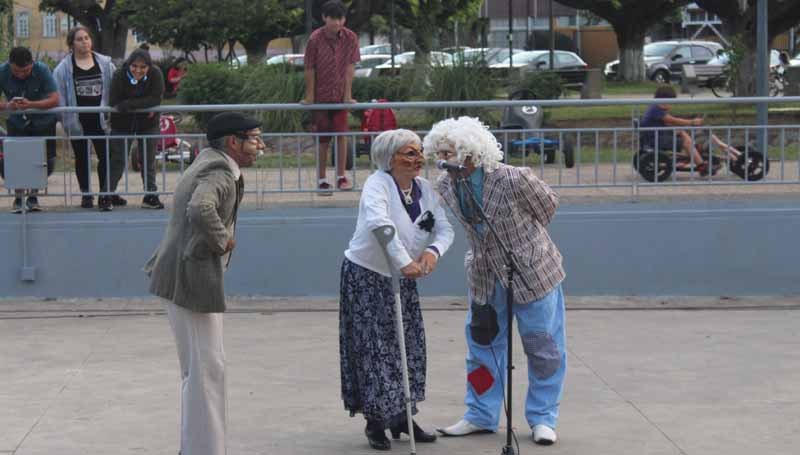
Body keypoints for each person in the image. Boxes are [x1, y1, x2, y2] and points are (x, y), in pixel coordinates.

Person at [423, 116, 567, 446]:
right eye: (439, 152)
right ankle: (481, 414)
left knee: (543, 347)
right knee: (482, 346)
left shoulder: (513, 178)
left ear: (471, 151)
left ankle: (543, 417)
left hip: (532, 271)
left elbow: (548, 207)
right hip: (485, 275)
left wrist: (524, 242)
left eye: (449, 152)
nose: (442, 159)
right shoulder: (445, 184)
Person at [143, 112, 265, 455]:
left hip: (181, 276)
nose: (259, 145)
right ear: (233, 142)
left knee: (200, 371)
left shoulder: (208, 160)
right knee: (207, 371)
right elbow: (200, 208)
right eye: (254, 138)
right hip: (190, 281)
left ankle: (197, 447)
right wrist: (222, 239)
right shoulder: (219, 171)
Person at [340, 128, 454, 451]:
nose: (418, 159)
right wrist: (404, 262)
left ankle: (402, 416)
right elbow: (380, 224)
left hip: (404, 279)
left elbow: (444, 228)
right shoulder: (377, 184)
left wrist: (432, 253)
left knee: (408, 346)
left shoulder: (424, 189)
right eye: (409, 153)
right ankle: (376, 421)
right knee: (374, 350)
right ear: (389, 158)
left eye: (419, 152)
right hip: (367, 276)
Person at [52, 26, 118, 210]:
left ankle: (105, 194)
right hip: (77, 121)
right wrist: (65, 119)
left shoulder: (105, 64)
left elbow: (116, 86)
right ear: (71, 44)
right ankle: (86, 194)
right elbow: (60, 95)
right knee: (81, 158)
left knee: (105, 157)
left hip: (101, 121)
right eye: (80, 39)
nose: (84, 42)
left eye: (87, 38)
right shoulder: (63, 68)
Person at [302, 0, 360, 194]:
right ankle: (321, 179)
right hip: (321, 97)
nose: (336, 22)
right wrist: (310, 97)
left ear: (344, 19)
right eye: (332, 18)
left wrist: (347, 95)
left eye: (340, 18)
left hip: (339, 96)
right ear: (324, 18)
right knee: (323, 139)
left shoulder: (350, 37)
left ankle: (341, 176)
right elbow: (309, 68)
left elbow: (350, 67)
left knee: (342, 136)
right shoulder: (315, 39)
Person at [0, 47, 59, 213]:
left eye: (25, 71)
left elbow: (55, 99)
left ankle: (33, 196)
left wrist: (31, 105)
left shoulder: (42, 69)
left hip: (43, 122)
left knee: (44, 160)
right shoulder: (2, 71)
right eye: (16, 71)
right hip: (17, 123)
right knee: (16, 160)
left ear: (32, 63)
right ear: (10, 64)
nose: (21, 75)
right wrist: (7, 105)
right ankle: (18, 198)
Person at [107, 47, 165, 211]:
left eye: (143, 67)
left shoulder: (156, 74)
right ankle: (106, 194)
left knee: (149, 159)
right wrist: (144, 104)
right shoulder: (119, 75)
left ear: (149, 67)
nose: (138, 70)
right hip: (122, 124)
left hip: (148, 123)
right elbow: (115, 101)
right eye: (134, 66)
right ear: (128, 64)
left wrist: (130, 103)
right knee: (118, 159)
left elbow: (156, 98)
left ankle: (150, 195)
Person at [640, 85, 706, 173]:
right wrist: (692, 122)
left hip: (654, 136)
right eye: (670, 101)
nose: (671, 104)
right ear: (664, 100)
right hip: (655, 139)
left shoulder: (654, 107)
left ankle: (691, 150)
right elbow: (672, 120)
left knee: (680, 131)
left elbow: (669, 123)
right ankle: (701, 165)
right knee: (685, 141)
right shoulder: (656, 109)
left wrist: (683, 125)